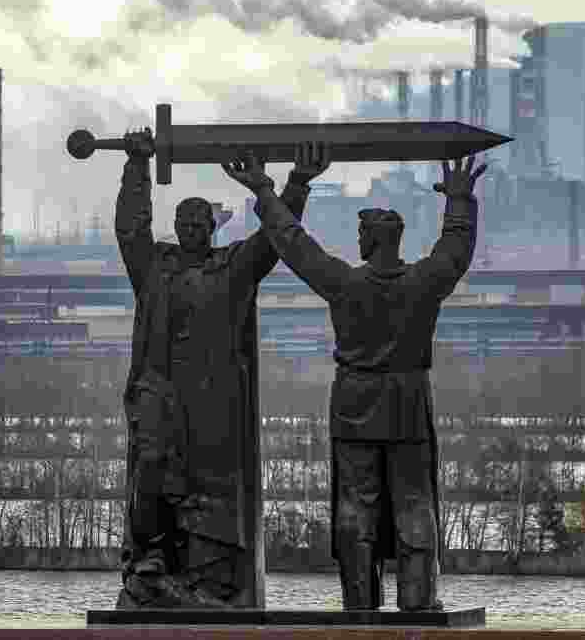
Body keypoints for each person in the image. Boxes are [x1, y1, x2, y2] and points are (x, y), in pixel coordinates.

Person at [224, 151, 486, 612]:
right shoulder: (422, 282)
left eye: (362, 233)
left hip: (355, 402)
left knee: (356, 507)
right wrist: (459, 201)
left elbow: (292, 243)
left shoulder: (346, 283)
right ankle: (418, 600)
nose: (358, 239)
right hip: (406, 401)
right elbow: (455, 251)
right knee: (413, 501)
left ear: (372, 240)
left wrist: (266, 191)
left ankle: (360, 606)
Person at [115, 134, 330, 608]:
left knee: (207, 492)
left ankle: (206, 579)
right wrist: (137, 167)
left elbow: (273, 241)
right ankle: (149, 559)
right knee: (151, 468)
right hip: (160, 392)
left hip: (212, 403)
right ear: (175, 227)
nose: (192, 229)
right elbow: (131, 229)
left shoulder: (232, 267)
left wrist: (295, 185)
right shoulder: (154, 267)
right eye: (184, 222)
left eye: (200, 222)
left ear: (212, 227)